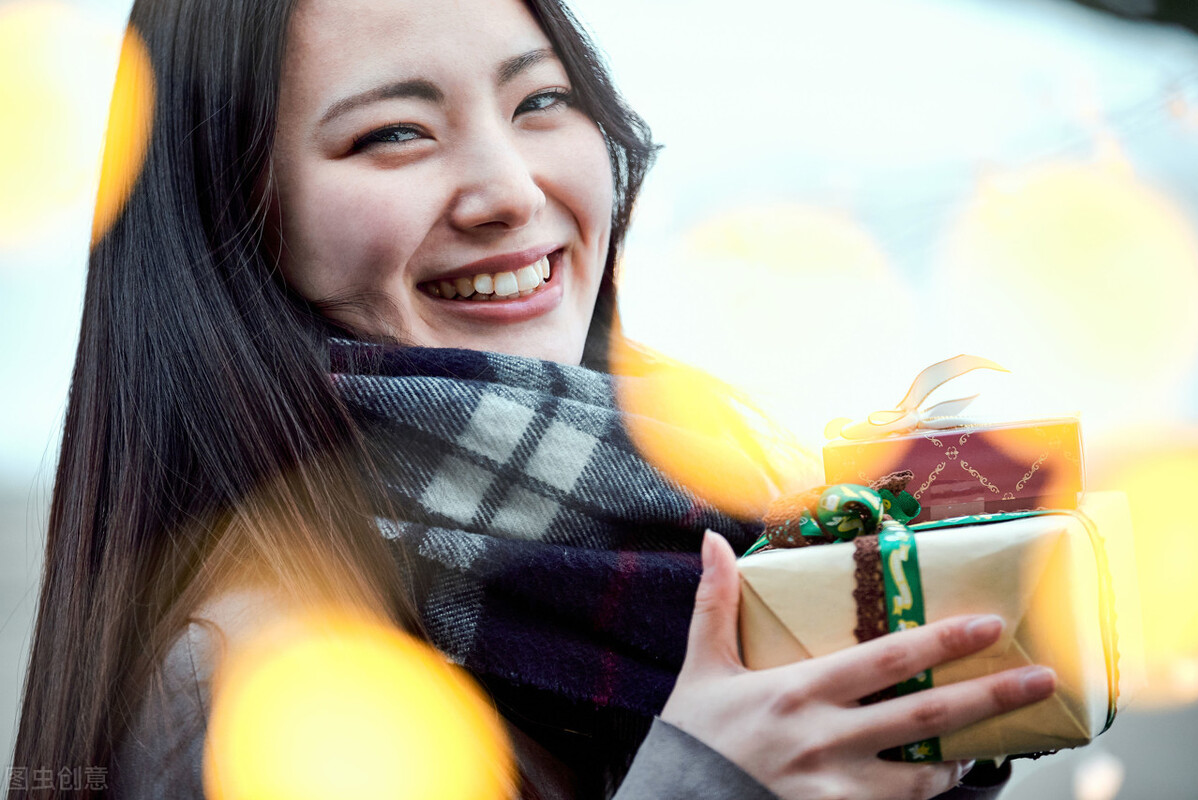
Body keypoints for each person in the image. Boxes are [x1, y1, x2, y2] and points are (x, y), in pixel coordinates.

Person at [11, 0, 1057, 797]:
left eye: (542, 102)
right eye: (393, 134)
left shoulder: (735, 495)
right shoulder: (245, 673)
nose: (510, 188)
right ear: (236, 215)